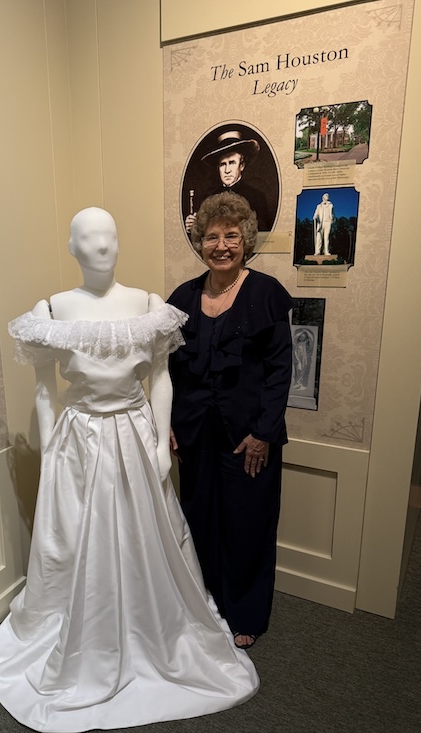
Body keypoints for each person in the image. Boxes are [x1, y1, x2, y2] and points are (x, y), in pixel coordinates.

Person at [0, 207, 258, 733]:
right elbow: (45, 388)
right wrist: (48, 447)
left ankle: (148, 627)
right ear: (72, 246)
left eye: (109, 234)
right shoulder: (51, 309)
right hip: (79, 440)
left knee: (144, 534)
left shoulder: (149, 306)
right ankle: (83, 632)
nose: (102, 245)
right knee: (72, 539)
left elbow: (160, 378)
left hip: (133, 435)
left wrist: (159, 442)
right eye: (88, 237)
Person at [168, 192, 292, 650]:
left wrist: (263, 433)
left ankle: (245, 613)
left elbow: (281, 372)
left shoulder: (266, 294)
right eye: (212, 236)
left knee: (247, 522)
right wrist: (168, 421)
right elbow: (167, 370)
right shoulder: (181, 298)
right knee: (199, 520)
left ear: (246, 240)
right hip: (195, 434)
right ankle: (205, 604)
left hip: (248, 438)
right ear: (200, 242)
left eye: (231, 235)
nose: (221, 245)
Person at [184, 130, 271, 234]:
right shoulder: (208, 198)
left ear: (241, 165)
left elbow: (263, 237)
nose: (227, 170)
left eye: (232, 163)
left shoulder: (257, 197)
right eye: (222, 164)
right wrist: (194, 227)